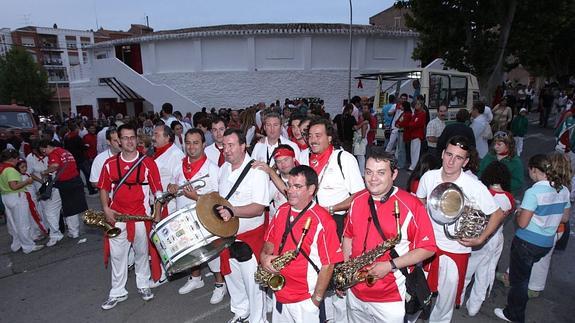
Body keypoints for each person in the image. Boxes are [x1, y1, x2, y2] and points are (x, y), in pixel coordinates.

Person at [416, 135, 504, 323]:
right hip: (427, 246)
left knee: (445, 302)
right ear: (442, 154)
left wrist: (481, 239)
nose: (451, 161)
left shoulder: (474, 186)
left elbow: (497, 214)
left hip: (455, 250)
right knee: (419, 292)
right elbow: (420, 201)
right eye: (449, 154)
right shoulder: (428, 177)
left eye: (458, 157)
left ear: (465, 162)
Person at [343, 150, 436, 322]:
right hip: (355, 291)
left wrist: (390, 265)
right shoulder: (357, 200)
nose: (373, 178)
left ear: (394, 174)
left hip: (389, 299)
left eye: (380, 172)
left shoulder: (411, 205)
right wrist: (345, 272)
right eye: (369, 172)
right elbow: (348, 236)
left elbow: (428, 248)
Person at [261, 165, 343, 323]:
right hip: (279, 291)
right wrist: (264, 257)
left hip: (305, 299)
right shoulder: (281, 210)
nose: (290, 190)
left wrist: (316, 300)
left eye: (297, 186)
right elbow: (270, 240)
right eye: (289, 185)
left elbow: (329, 264)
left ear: (311, 189)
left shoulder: (323, 220)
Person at [494, 154, 570, 323]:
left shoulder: (533, 192)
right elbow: (565, 218)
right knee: (525, 276)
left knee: (520, 281)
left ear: (535, 170)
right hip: (547, 241)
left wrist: (519, 212)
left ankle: (514, 314)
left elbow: (522, 223)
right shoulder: (563, 190)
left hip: (527, 243)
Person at [97, 124, 163, 310]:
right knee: (117, 256)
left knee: (142, 253)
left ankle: (143, 284)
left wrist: (157, 212)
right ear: (118, 141)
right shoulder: (109, 165)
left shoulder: (148, 163)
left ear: (137, 138)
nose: (129, 141)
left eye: (132, 137)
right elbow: (103, 188)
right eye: (125, 138)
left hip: (140, 217)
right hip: (117, 217)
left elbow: (158, 192)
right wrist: (105, 208)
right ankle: (117, 291)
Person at [304, 118, 365, 322]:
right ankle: (328, 317)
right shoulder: (305, 159)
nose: (313, 140)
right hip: (313, 224)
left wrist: (331, 208)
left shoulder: (344, 158)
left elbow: (359, 195)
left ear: (329, 138)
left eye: (318, 135)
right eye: (310, 135)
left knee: (339, 278)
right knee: (319, 273)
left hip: (338, 222)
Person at [217, 128, 270, 323]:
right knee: (233, 278)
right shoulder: (223, 168)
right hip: (228, 235)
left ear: (243, 146)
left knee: (253, 283)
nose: (227, 150)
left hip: (250, 237)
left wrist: (233, 210)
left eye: (231, 145)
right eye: (224, 146)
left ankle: (259, 319)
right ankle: (241, 311)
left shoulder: (256, 171)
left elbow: (258, 208)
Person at [173, 128, 227, 304]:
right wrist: (171, 189)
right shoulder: (179, 165)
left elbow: (217, 199)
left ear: (204, 144)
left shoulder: (212, 169)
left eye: (196, 142)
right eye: (188, 142)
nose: (191, 146)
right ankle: (196, 278)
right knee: (190, 250)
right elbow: (174, 187)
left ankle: (220, 284)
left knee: (212, 253)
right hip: (184, 217)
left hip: (205, 219)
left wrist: (196, 197)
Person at [461, 161, 514, 316]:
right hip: (495, 240)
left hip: (477, 237)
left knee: (466, 272)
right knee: (485, 273)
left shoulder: (482, 193)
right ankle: (474, 307)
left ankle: (459, 299)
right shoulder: (509, 198)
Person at [527, 153, 572, 298]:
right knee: (540, 258)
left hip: (544, 230)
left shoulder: (543, 189)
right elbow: (565, 217)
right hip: (557, 230)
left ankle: (534, 286)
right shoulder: (564, 188)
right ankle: (529, 283)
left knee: (538, 260)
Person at [39, 140, 88, 239]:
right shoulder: (65, 152)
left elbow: (55, 165)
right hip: (75, 181)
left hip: (64, 184)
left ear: (48, 146)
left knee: (53, 209)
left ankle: (57, 233)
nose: (44, 154)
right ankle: (74, 231)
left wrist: (44, 172)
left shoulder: (54, 154)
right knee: (72, 208)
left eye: (43, 151)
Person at [0, 149, 44, 254]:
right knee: (23, 222)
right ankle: (28, 246)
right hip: (17, 196)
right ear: (11, 159)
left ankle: (17, 244)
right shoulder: (10, 170)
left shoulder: (2, 168)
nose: (17, 161)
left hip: (6, 196)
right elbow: (14, 186)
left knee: (13, 223)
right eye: (16, 159)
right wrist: (27, 182)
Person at [26, 141, 64, 247]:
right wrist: (41, 181)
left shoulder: (49, 154)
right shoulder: (30, 158)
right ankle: (50, 229)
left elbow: (54, 167)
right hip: (41, 185)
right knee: (45, 208)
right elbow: (30, 172)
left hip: (52, 182)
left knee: (52, 209)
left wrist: (46, 175)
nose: (41, 152)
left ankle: (56, 230)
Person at [478, 131, 525, 198]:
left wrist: (500, 185)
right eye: (495, 144)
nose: (495, 147)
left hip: (505, 195)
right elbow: (480, 171)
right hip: (486, 192)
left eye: (499, 144)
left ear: (508, 145)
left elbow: (518, 181)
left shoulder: (515, 162)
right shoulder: (489, 156)